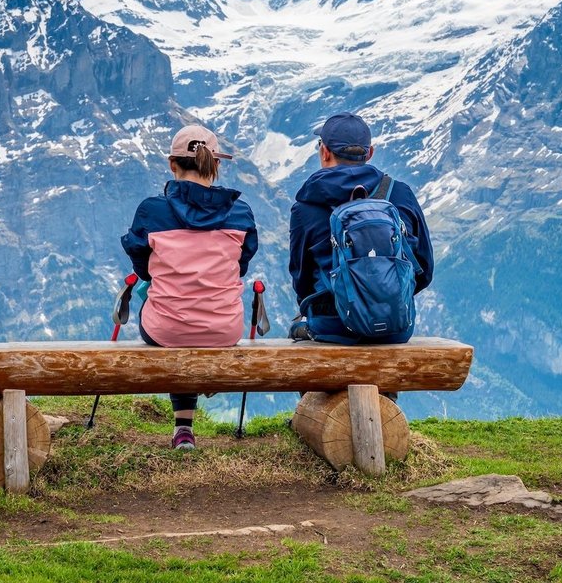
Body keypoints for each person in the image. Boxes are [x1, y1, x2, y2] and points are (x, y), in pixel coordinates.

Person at [121, 125, 258, 450]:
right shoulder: (240, 212)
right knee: (194, 313)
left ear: (172, 165)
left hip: (165, 330)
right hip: (225, 330)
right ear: (216, 164)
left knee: (170, 313)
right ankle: (201, 392)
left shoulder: (151, 210)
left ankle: (184, 428)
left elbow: (142, 268)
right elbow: (241, 265)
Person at [288, 112, 433, 346]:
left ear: (324, 152)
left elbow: (301, 278)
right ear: (370, 153)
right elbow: (424, 269)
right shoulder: (400, 194)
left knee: (298, 332)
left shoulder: (306, 207)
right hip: (395, 327)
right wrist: (382, 302)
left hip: (333, 327)